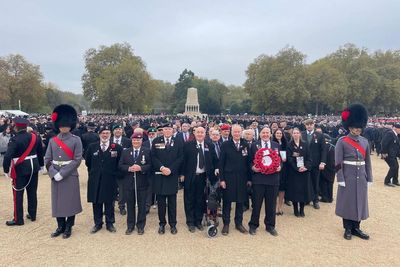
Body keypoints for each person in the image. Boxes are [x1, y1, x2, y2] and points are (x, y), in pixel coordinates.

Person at [45, 104, 83, 239]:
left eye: (66, 125)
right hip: (55, 175)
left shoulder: (76, 140)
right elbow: (48, 159)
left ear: (71, 125)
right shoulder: (52, 141)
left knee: (70, 202)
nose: (64, 127)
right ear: (58, 126)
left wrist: (62, 173)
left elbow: (77, 159)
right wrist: (54, 173)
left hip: (69, 175)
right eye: (61, 125)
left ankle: (69, 226)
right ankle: (60, 226)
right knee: (58, 202)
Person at [335, 103, 372, 240]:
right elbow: (338, 163)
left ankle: (356, 227)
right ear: (350, 127)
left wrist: (370, 178)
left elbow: (367, 161)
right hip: (348, 176)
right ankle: (348, 228)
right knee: (347, 202)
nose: (358, 130)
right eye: (355, 128)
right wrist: (340, 178)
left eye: (359, 128)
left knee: (360, 202)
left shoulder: (364, 142)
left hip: (361, 176)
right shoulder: (342, 141)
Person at [3, 117, 44, 226]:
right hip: (34, 167)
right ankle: (32, 214)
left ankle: (18, 219)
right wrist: (41, 165)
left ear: (16, 127)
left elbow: (8, 156)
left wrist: (6, 170)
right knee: (32, 192)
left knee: (18, 194)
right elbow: (40, 151)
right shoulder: (35, 137)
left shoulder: (14, 139)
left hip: (21, 169)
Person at [86, 126, 122, 234]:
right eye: (103, 133)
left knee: (109, 202)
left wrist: (115, 175)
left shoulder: (117, 147)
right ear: (99, 134)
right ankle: (98, 223)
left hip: (110, 180)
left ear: (110, 134)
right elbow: (88, 162)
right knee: (96, 202)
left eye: (107, 133)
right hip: (95, 179)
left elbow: (119, 164)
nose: (105, 135)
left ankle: (110, 223)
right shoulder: (92, 147)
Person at [181, 126, 218, 233]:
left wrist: (216, 168)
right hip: (190, 176)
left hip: (203, 177)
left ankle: (198, 221)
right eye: (198, 132)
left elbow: (215, 159)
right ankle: (190, 222)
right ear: (195, 133)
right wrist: (182, 174)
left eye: (202, 132)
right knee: (189, 199)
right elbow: (183, 160)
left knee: (200, 200)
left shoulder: (209, 145)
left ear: (205, 134)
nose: (200, 134)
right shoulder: (188, 145)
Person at [151, 122, 184, 235]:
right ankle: (162, 224)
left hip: (172, 175)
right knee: (160, 202)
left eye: (170, 129)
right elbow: (153, 157)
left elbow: (181, 157)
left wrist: (171, 169)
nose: (168, 131)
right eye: (165, 129)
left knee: (172, 202)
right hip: (160, 175)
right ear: (162, 130)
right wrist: (162, 167)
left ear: (173, 130)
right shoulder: (156, 141)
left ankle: (173, 224)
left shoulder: (179, 142)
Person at [248, 127, 281, 236]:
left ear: (270, 134)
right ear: (260, 134)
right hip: (259, 179)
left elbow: (280, 160)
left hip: (273, 179)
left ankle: (270, 226)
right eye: (263, 133)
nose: (265, 134)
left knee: (271, 205)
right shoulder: (254, 145)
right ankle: (253, 225)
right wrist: (253, 167)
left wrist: (280, 166)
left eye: (267, 132)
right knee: (256, 204)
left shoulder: (276, 145)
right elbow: (249, 161)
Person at [219, 124, 251, 235]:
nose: (237, 134)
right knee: (227, 202)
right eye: (235, 132)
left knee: (240, 201)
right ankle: (226, 224)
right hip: (228, 177)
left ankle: (239, 223)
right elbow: (221, 163)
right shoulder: (225, 145)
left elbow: (248, 163)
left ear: (241, 132)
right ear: (231, 133)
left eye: (238, 132)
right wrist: (222, 179)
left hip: (242, 178)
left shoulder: (245, 144)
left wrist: (249, 179)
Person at [119, 133, 151, 235]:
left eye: (138, 140)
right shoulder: (126, 152)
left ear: (141, 141)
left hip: (142, 182)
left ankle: (140, 226)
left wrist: (141, 168)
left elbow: (150, 165)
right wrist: (129, 168)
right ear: (131, 141)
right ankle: (130, 226)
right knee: (130, 204)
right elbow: (120, 165)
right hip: (129, 183)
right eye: (134, 140)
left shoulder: (147, 151)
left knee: (141, 205)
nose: (136, 142)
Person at [286, 128, 313, 217]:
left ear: (300, 134)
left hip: (304, 171)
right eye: (294, 133)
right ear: (292, 134)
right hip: (294, 172)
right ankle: (295, 210)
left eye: (297, 133)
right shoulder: (289, 145)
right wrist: (297, 168)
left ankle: (302, 209)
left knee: (303, 191)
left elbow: (309, 157)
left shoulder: (305, 144)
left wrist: (306, 167)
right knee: (295, 191)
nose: (296, 134)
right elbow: (289, 159)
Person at [301, 119, 327, 209]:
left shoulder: (320, 135)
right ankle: (306, 199)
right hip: (304, 163)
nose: (309, 126)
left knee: (315, 181)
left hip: (316, 163)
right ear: (305, 125)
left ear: (313, 125)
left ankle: (315, 200)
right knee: (305, 181)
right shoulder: (302, 134)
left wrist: (322, 162)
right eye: (307, 124)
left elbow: (323, 150)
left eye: (310, 124)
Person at [112, 124, 132, 215]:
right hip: (111, 169)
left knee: (122, 189)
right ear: (113, 131)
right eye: (116, 129)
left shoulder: (127, 141)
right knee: (110, 188)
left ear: (122, 131)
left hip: (123, 170)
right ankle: (110, 206)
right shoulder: (108, 140)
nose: (118, 131)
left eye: (120, 129)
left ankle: (122, 206)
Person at [273, 128, 288, 215]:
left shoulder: (286, 143)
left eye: (280, 133)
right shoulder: (272, 143)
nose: (279, 135)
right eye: (277, 133)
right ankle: (274, 207)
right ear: (274, 134)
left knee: (282, 188)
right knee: (275, 188)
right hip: (275, 167)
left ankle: (280, 206)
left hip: (284, 167)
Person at [319, 134, 336, 203]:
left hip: (325, 167)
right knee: (330, 183)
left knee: (323, 183)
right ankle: (330, 197)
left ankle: (325, 197)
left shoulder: (323, 147)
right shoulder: (334, 147)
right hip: (333, 168)